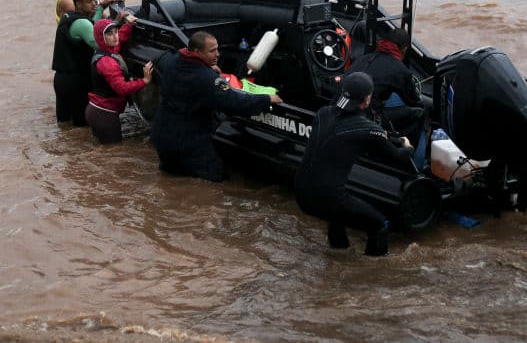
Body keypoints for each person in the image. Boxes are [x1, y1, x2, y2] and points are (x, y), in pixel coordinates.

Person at [294, 72, 415, 257]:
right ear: (367, 100)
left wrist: (382, 135)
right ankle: (369, 275)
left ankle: (338, 254)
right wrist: (408, 146)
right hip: (327, 198)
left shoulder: (322, 113)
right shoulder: (367, 129)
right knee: (380, 225)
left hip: (301, 193)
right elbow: (398, 156)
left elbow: (347, 131)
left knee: (337, 215)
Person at [151, 31, 282, 182]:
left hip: (162, 135)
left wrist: (205, 68)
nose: (218, 54)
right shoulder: (207, 79)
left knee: (170, 177)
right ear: (197, 52)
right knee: (214, 178)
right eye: (212, 51)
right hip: (188, 141)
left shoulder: (173, 62)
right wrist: (266, 100)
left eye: (217, 49)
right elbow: (233, 102)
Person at [346, 27, 429, 149]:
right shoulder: (401, 70)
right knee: (419, 113)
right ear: (404, 49)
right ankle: (408, 151)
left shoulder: (363, 58)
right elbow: (413, 101)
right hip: (365, 118)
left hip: (346, 110)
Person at [86, 16, 153, 144]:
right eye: (110, 34)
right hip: (104, 114)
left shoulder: (105, 49)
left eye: (115, 32)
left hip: (97, 110)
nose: (115, 36)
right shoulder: (107, 63)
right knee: (113, 151)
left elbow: (119, 39)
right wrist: (144, 81)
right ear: (101, 37)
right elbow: (122, 88)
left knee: (104, 155)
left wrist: (128, 25)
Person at [52, 0, 102, 125]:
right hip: (76, 81)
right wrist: (119, 24)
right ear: (78, 4)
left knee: (65, 124)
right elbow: (100, 44)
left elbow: (90, 24)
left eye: (94, 0)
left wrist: (101, 7)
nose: (93, 4)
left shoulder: (68, 17)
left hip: (61, 78)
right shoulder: (81, 23)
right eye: (89, 1)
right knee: (82, 126)